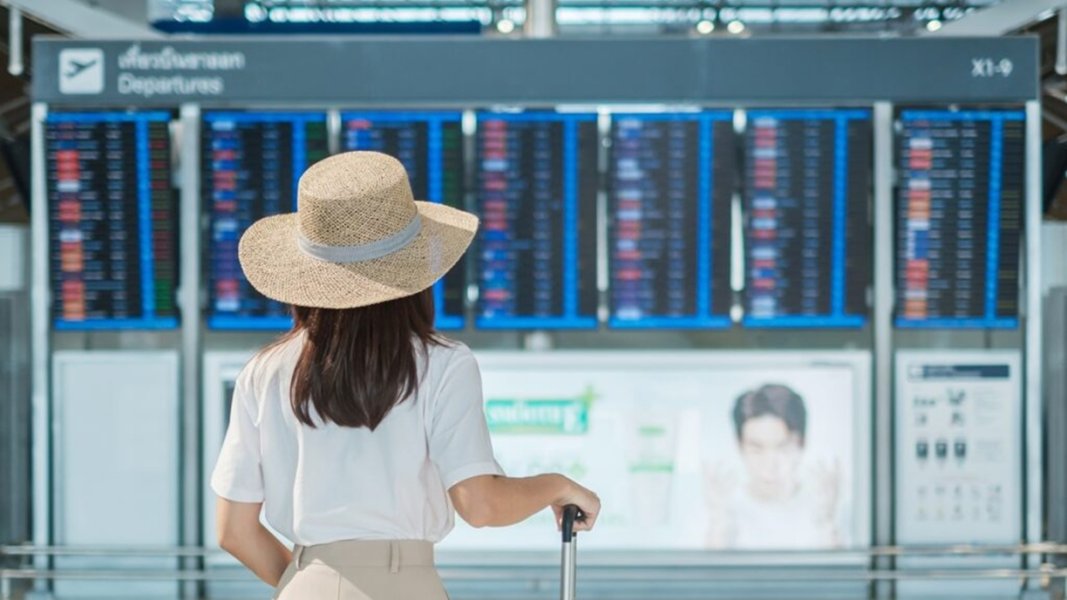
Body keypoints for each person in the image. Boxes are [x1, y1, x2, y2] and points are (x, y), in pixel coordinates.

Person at [211, 151, 600, 599]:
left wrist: (309, 582)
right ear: (415, 271)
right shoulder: (443, 364)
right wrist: (558, 486)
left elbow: (234, 531)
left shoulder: (264, 371)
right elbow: (480, 504)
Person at [704, 383, 840, 550]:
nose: (770, 464)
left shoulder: (826, 508)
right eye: (756, 449)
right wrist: (719, 525)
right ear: (740, 446)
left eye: (783, 448)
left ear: (802, 444)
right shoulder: (716, 509)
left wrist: (827, 523)